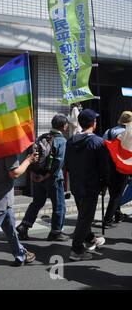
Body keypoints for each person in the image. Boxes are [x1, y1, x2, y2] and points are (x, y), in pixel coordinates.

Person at [16, 114, 69, 241]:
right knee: (59, 205)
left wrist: (34, 174)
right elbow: (58, 162)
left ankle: (24, 225)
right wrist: (46, 175)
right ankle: (56, 232)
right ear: (64, 126)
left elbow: (32, 156)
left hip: (37, 176)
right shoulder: (61, 141)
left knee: (37, 202)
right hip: (53, 178)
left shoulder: (42, 137)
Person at [65, 109, 108, 261]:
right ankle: (76, 250)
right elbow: (104, 167)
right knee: (85, 218)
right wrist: (105, 183)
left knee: (83, 214)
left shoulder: (71, 141)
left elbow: (67, 165)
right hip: (91, 186)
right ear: (93, 123)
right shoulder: (98, 142)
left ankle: (89, 238)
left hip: (76, 184)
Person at [102, 111, 132, 226]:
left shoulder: (109, 131)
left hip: (109, 165)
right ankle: (108, 219)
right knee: (117, 194)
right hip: (122, 166)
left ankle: (118, 213)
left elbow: (103, 146)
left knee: (113, 191)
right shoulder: (128, 133)